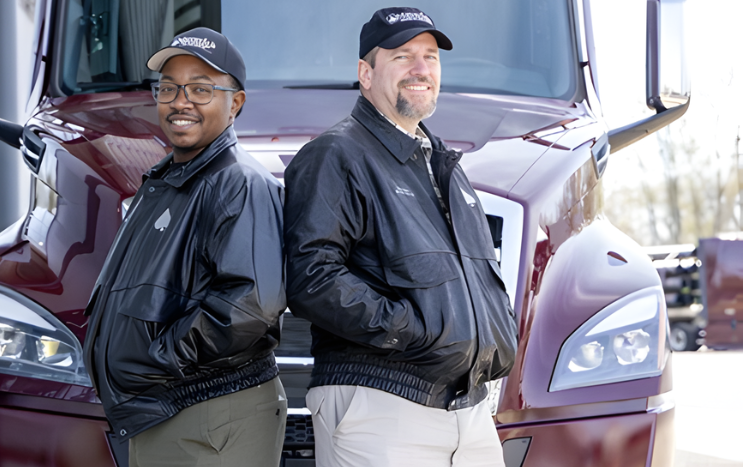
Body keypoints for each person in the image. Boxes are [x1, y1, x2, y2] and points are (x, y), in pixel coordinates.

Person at [284, 7, 518, 467]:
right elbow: (311, 276)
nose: (421, 69)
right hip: (382, 407)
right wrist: (414, 330)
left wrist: (497, 333)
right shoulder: (336, 154)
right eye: (403, 56)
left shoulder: (444, 165)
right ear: (365, 74)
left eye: (430, 57)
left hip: (469, 413)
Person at [83, 27, 287, 467]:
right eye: (170, 88)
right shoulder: (167, 182)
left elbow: (250, 306)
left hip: (208, 416)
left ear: (235, 103)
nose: (181, 102)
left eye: (200, 89)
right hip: (169, 411)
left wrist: (157, 357)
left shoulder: (239, 183)